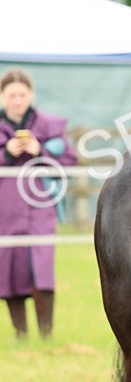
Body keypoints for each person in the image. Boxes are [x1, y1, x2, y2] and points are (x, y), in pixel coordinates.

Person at [0, 68, 77, 338]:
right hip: (5, 210)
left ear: (30, 95)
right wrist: (6, 154)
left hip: (40, 207)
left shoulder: (49, 126)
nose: (17, 100)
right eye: (11, 95)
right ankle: (20, 334)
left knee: (41, 268)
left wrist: (39, 152)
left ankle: (47, 335)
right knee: (9, 269)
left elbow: (69, 162)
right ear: (3, 96)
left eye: (22, 94)